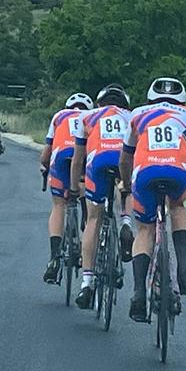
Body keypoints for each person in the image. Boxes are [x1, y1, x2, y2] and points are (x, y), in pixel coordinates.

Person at [118, 77, 186, 322]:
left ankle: (138, 292)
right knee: (177, 207)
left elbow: (125, 158)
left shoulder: (137, 114)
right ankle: (184, 269)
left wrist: (126, 184)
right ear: (182, 99)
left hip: (145, 171)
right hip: (178, 171)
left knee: (145, 230)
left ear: (149, 98)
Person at [70, 83, 135, 309]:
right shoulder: (132, 116)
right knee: (125, 184)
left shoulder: (87, 117)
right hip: (123, 160)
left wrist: (72, 186)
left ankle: (86, 282)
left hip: (97, 161)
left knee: (93, 220)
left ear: (99, 103)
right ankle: (126, 221)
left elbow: (78, 158)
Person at [40, 92, 94, 283]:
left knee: (59, 205)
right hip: (85, 155)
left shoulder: (59, 116)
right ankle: (87, 228)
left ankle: (54, 257)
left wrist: (44, 166)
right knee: (88, 200)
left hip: (61, 156)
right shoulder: (92, 116)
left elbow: (46, 154)